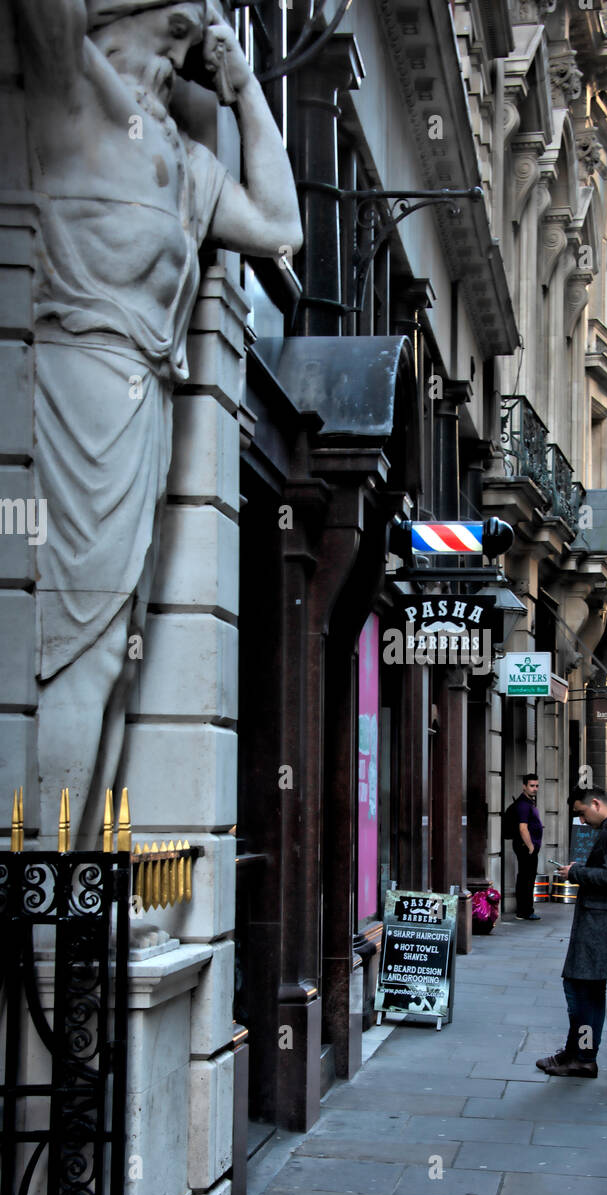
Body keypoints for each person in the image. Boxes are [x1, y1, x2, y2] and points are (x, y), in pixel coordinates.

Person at [13, 0, 302, 844]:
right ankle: (48, 883)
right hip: (83, 384)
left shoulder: (181, 157)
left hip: (148, 396)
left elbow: (282, 227)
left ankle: (74, 877)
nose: (181, 56)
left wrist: (244, 81)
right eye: (171, 30)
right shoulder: (76, 91)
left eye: (192, 41)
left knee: (114, 647)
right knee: (80, 639)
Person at [536, 787, 607, 1078]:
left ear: (596, 804)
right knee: (589, 993)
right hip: (603, 924)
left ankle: (583, 1056)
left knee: (580, 992)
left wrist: (575, 873)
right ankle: (578, 1053)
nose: (582, 821)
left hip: (602, 927)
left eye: (583, 813)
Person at [512, 773, 543, 922]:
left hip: (528, 847)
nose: (535, 789)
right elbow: (522, 828)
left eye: (537, 786)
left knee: (526, 878)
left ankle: (524, 910)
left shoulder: (529, 802)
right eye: (532, 786)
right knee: (526, 879)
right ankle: (525, 911)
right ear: (524, 786)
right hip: (526, 847)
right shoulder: (523, 804)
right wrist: (531, 847)